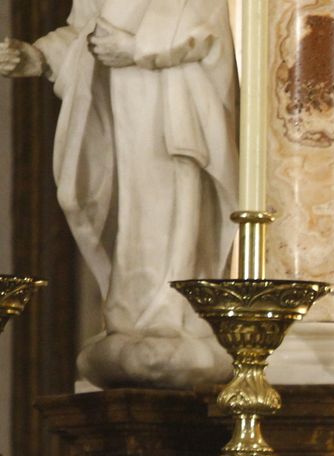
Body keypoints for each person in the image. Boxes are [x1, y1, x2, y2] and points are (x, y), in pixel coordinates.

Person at [0, 0, 236, 388]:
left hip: (171, 107)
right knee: (131, 221)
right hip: (118, 111)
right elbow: (85, 32)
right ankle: (131, 318)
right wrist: (39, 56)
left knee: (171, 210)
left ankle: (173, 318)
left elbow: (203, 22)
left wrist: (137, 47)